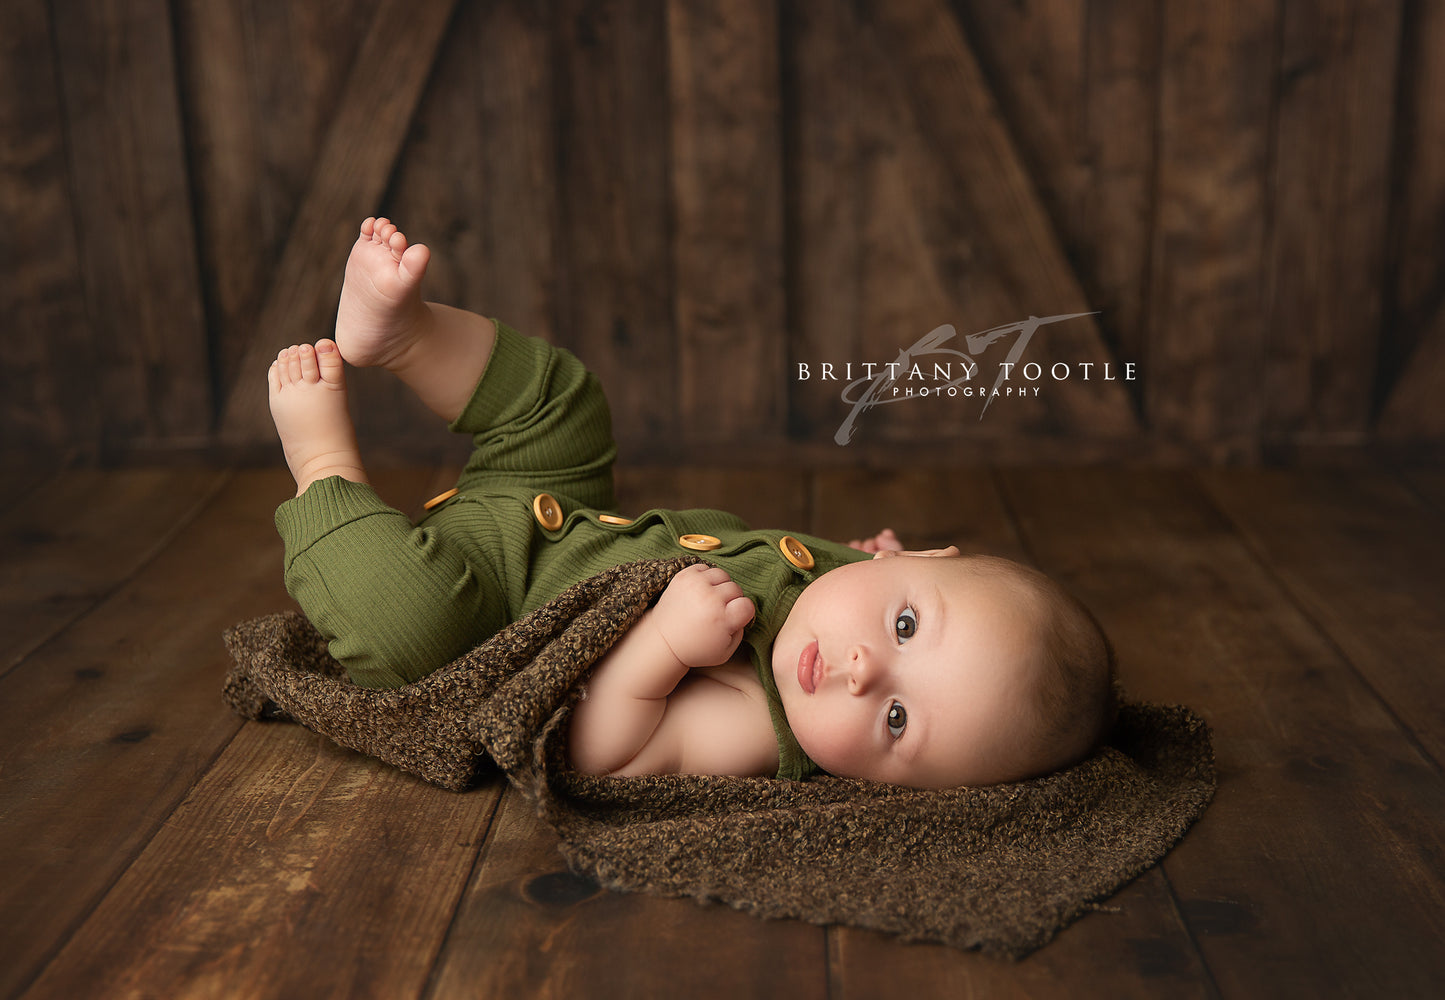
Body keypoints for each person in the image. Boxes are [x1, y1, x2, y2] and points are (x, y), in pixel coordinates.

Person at [267, 218, 1116, 789]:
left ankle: (322, 460)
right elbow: (851, 582)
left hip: (488, 611)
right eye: (903, 626)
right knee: (566, 409)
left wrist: (663, 649)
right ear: (923, 557)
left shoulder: (762, 722)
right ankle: (409, 336)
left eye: (896, 719)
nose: (860, 671)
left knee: (405, 626)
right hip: (550, 508)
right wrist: (864, 556)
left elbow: (609, 754)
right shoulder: (852, 581)